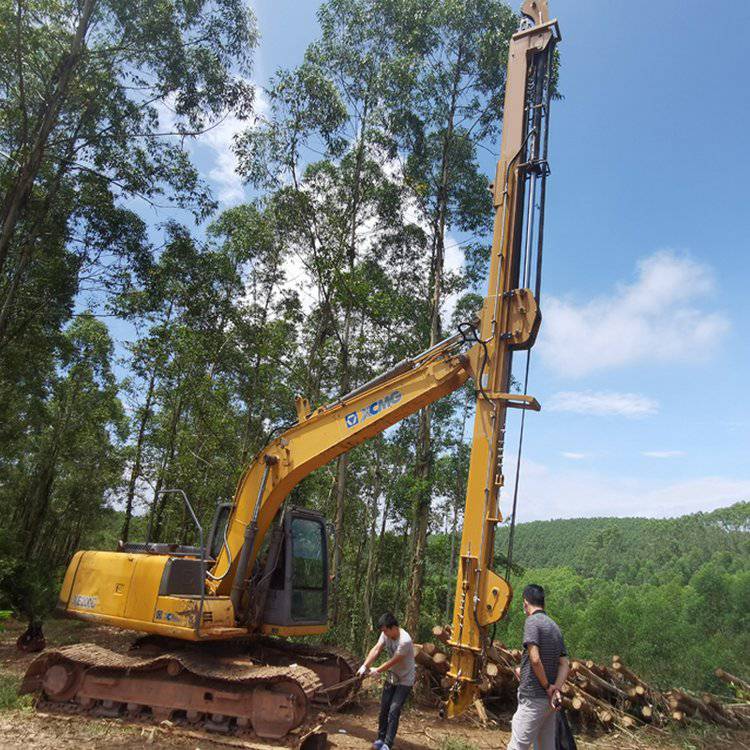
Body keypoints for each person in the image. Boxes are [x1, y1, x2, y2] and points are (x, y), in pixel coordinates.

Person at [508, 584, 570, 750]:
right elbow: (565, 663)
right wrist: (555, 688)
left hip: (533, 697)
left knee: (517, 746)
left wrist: (546, 685)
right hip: (549, 702)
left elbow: (535, 659)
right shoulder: (555, 627)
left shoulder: (532, 622)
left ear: (525, 603)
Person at [357, 612, 415, 750]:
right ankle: (380, 739)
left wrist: (377, 670)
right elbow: (376, 649)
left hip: (405, 679)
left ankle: (387, 744)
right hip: (392, 676)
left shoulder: (405, 641)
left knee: (394, 710)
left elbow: (393, 660)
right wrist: (365, 666)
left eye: (385, 630)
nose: (384, 633)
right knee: (384, 708)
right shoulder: (385, 634)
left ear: (393, 627)